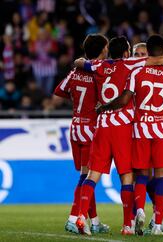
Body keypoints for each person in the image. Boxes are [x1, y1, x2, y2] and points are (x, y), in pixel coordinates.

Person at [74, 35, 163, 235]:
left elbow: (82, 63)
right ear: (127, 53)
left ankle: (81, 216)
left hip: (108, 126)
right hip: (128, 127)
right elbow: (159, 63)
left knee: (93, 175)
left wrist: (80, 63)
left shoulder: (99, 66)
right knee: (130, 176)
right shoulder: (131, 66)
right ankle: (132, 225)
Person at [53, 34, 110, 234]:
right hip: (90, 129)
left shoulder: (76, 70)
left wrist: (78, 100)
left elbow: (59, 91)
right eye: (106, 47)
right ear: (103, 49)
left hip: (75, 127)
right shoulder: (100, 72)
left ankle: (94, 222)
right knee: (88, 178)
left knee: (86, 176)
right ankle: (72, 218)